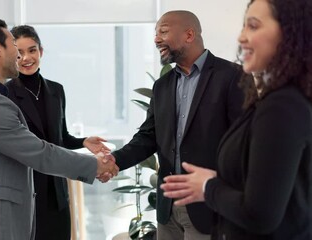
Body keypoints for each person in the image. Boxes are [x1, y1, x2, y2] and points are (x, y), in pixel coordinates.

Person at [0, 17, 118, 240]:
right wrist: (95, 166)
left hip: (0, 212)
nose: (20, 56)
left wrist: (84, 144)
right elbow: (39, 152)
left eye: (32, 50)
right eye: (13, 44)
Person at [161, 0, 312, 239]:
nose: (241, 37)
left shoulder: (282, 106)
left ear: (289, 31)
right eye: (243, 26)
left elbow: (260, 214)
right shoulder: (278, 100)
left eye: (253, 26)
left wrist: (208, 187)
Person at [102, 10, 245, 240]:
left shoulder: (232, 76)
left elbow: (245, 143)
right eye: (155, 33)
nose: (156, 39)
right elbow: (148, 137)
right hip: (167, 210)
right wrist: (115, 160)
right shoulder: (162, 86)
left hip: (208, 207)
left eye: (164, 31)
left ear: (189, 35)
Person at [7, 25, 110, 240]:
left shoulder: (56, 90)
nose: (26, 58)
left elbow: (60, 139)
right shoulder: (4, 93)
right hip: (27, 192)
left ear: (41, 52)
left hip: (57, 193)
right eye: (19, 53)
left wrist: (83, 141)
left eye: (32, 50)